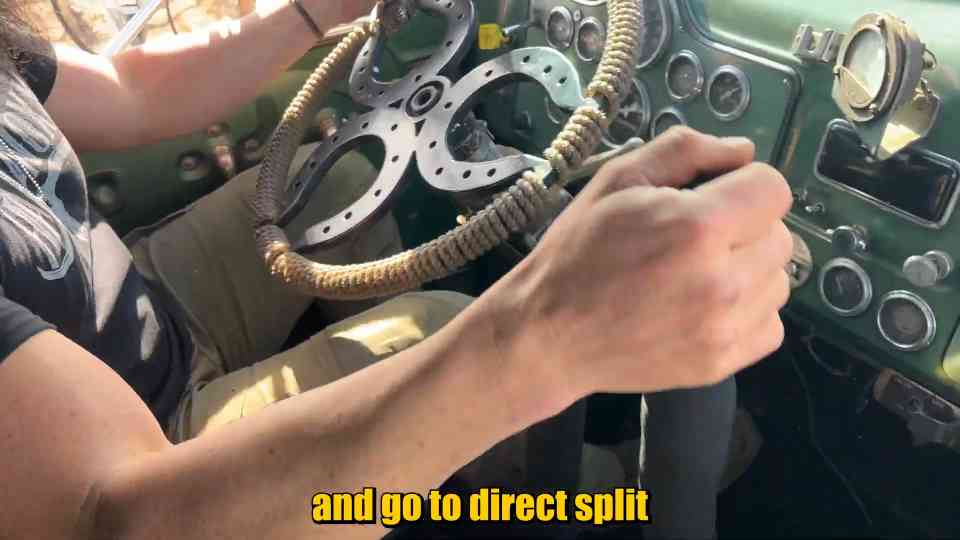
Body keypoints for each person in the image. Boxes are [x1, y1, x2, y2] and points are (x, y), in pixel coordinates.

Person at [0, 0, 793, 538]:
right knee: (439, 330)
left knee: (337, 180)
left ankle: (423, 436)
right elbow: (114, 519)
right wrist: (534, 334)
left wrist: (317, 11)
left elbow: (132, 91)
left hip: (135, 309)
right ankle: (596, 491)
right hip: (151, 448)